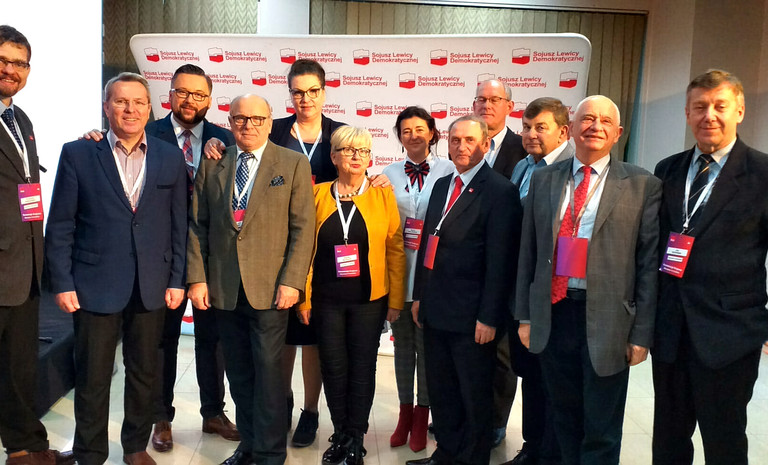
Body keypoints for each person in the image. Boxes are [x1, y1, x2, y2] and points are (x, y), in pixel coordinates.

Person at [81, 63, 240, 451]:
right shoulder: (144, 131)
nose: (190, 100)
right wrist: (93, 135)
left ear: (210, 99)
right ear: (168, 96)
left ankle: (213, 412)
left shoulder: (225, 138)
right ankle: (161, 416)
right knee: (161, 341)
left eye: (198, 94)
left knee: (212, 338)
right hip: (157, 256)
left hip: (211, 254)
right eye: (182, 92)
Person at [45, 72, 188, 465]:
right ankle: (90, 452)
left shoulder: (170, 157)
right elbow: (61, 225)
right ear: (106, 107)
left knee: (144, 373)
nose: (130, 109)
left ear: (150, 108)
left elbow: (179, 224)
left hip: (151, 284)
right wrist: (62, 283)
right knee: (92, 376)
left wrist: (177, 279)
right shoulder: (78, 153)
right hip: (94, 283)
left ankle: (135, 447)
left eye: (138, 102)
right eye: (121, 101)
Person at [515, 95, 661, 465]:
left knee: (601, 427)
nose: (595, 126)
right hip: (554, 313)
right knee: (563, 417)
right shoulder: (544, 178)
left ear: (618, 133)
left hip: (610, 322)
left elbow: (647, 265)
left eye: (605, 121)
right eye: (587, 119)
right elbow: (528, 252)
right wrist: (525, 316)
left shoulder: (642, 184)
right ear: (571, 129)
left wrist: (641, 335)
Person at [187, 94, 314, 465]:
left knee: (270, 374)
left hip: (272, 289)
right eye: (240, 118)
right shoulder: (214, 162)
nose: (248, 125)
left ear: (270, 122)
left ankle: (270, 453)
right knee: (239, 373)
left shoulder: (292, 163)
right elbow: (198, 225)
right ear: (229, 122)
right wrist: (198, 278)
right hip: (224, 287)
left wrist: (293, 281)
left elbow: (303, 228)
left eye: (257, 118)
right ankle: (249, 445)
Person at [652, 69, 768, 465]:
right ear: (687, 113)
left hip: (730, 333)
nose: (709, 115)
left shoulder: (762, 173)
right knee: (668, 439)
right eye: (700, 107)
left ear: (740, 111)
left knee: (724, 440)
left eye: (720, 106)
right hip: (670, 330)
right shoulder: (667, 170)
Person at [408, 115, 522, 465]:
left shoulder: (500, 191)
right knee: (442, 391)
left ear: (486, 145)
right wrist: (419, 295)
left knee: (473, 395)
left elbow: (501, 263)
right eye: (455, 140)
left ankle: (471, 459)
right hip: (436, 308)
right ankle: (446, 453)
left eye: (470, 140)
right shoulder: (443, 184)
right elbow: (429, 243)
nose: (461, 146)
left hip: (473, 317)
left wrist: (489, 317)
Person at [300, 126, 405, 465]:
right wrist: (304, 299)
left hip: (369, 301)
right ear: (334, 157)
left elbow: (395, 248)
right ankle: (341, 434)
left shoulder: (382, 194)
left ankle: (356, 438)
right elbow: (304, 250)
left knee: (362, 368)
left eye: (363, 150)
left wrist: (395, 300)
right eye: (348, 150)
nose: (357, 156)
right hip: (326, 300)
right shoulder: (316, 194)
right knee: (333, 369)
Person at [0, 24, 74, 465]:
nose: (10, 70)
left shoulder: (19, 119)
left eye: (19, 63)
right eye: (3, 60)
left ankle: (26, 448)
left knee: (19, 366)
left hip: (24, 265)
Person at [272, 59, 345, 446]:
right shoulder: (274, 131)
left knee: (314, 334)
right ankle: (282, 402)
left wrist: (379, 180)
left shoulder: (339, 133)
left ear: (324, 92)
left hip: (326, 250)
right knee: (283, 333)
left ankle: (310, 411)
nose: (305, 99)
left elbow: (358, 174)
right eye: (298, 92)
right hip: (280, 248)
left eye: (313, 91)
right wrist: (217, 144)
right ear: (290, 94)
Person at [504, 97, 573, 465]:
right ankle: (532, 448)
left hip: (554, 293)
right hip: (520, 287)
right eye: (526, 127)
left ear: (563, 132)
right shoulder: (522, 166)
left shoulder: (571, 170)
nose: (530, 134)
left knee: (552, 379)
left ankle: (550, 453)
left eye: (540, 128)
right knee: (530, 373)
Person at [382, 107, 453, 453]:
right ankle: (404, 414)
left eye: (420, 129)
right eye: (406, 130)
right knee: (402, 347)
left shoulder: (449, 170)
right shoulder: (388, 173)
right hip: (398, 271)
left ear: (433, 133)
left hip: (432, 274)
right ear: (399, 136)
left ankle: (423, 415)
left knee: (426, 349)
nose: (413, 135)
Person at [472, 78, 525, 445]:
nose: (487, 105)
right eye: (481, 99)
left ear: (509, 106)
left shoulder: (524, 149)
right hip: (467, 270)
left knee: (502, 354)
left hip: (508, 266)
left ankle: (495, 422)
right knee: (470, 350)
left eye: (495, 99)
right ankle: (469, 415)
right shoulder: (464, 146)